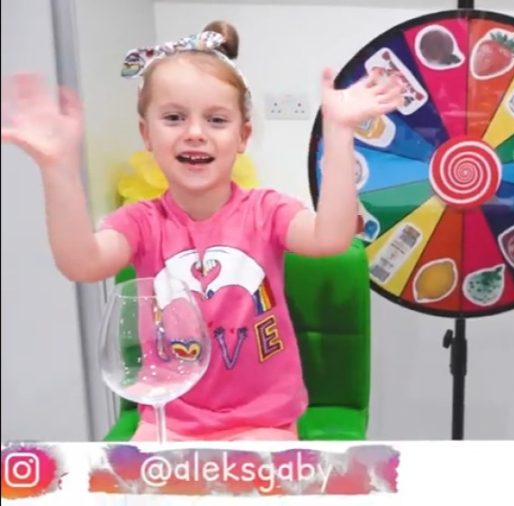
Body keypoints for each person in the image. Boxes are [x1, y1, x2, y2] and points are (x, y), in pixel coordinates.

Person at [0, 21, 403, 441]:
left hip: (262, 422)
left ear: (242, 136)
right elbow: (81, 264)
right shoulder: (140, 222)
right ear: (146, 134)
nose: (195, 133)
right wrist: (57, 167)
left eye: (216, 120)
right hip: (168, 420)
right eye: (174, 118)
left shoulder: (266, 210)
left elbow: (332, 237)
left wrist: (339, 131)